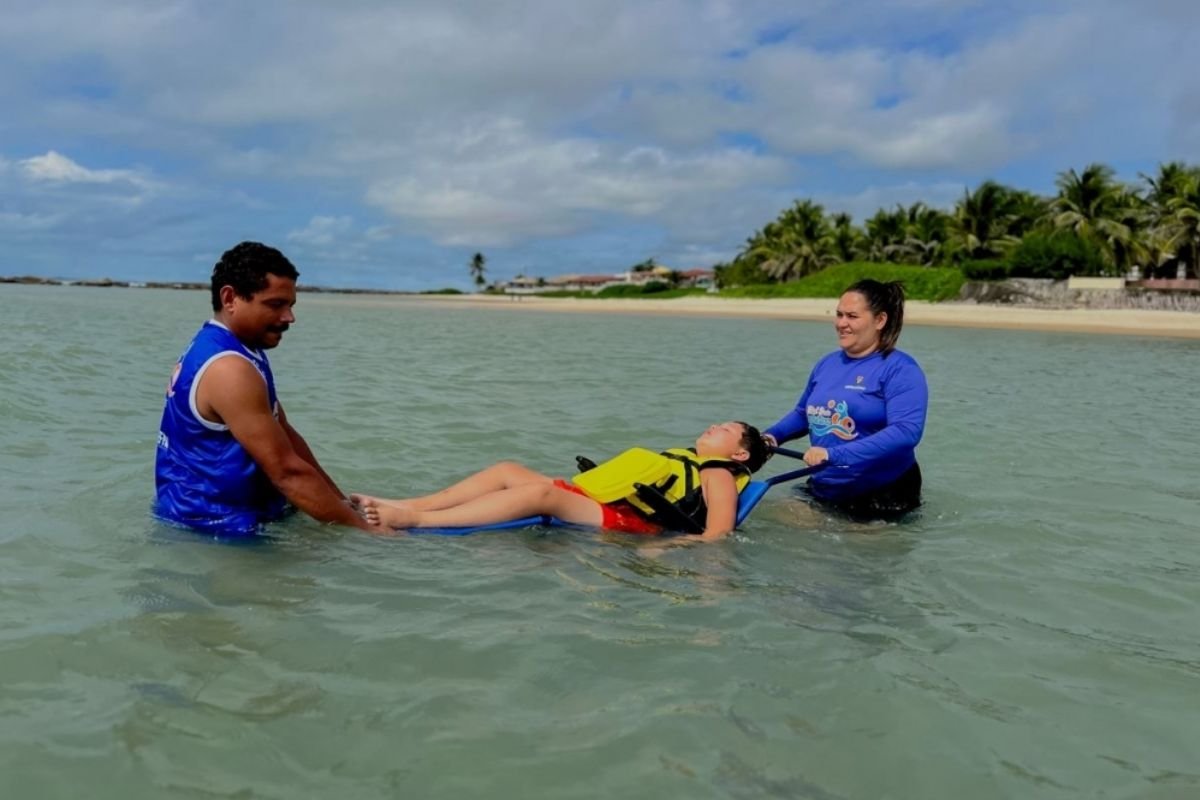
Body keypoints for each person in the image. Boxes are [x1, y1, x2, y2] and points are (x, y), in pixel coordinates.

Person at [154, 241, 374, 535]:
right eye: (275, 304)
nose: (289, 317)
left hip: (230, 516)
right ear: (230, 298)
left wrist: (342, 503)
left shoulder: (240, 349)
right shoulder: (229, 368)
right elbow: (287, 473)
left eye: (291, 305)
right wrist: (369, 535)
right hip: (215, 529)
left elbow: (286, 435)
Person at [352, 422, 770, 540]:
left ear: (739, 454)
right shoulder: (686, 459)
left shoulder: (718, 472)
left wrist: (669, 550)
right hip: (606, 501)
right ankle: (411, 503)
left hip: (631, 522)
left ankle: (414, 521)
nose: (715, 425)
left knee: (541, 494)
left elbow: (717, 534)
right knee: (507, 470)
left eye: (726, 429)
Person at [763, 279, 928, 520]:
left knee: (850, 544)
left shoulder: (900, 369)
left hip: (882, 492)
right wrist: (771, 436)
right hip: (826, 485)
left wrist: (833, 455)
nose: (841, 323)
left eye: (852, 316)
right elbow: (803, 413)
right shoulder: (827, 363)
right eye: (839, 314)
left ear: (880, 320)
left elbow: (906, 432)